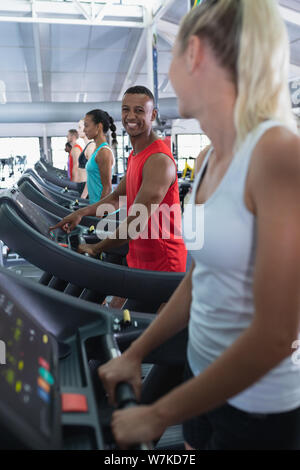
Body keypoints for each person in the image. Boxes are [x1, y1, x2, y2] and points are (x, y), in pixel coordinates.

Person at [97, 0, 300, 450]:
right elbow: (197, 278)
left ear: (196, 54)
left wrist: (158, 413)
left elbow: (277, 335)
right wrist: (136, 352)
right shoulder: (209, 158)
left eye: (172, 60)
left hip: (255, 406)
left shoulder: (278, 155)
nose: (169, 75)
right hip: (200, 375)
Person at [50, 86, 187, 273]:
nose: (130, 116)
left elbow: (136, 222)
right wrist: (82, 213)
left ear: (153, 115)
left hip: (163, 264)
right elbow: (116, 198)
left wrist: (95, 248)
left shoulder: (158, 160)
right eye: (126, 110)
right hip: (138, 257)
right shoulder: (135, 155)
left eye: (139, 110)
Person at [83, 109, 116, 204]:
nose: (84, 130)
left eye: (86, 125)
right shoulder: (96, 150)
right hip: (95, 206)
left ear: (98, 126)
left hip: (104, 212)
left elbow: (107, 188)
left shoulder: (104, 152)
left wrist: (99, 214)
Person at [77, 119, 96, 199]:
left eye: (79, 127)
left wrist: (83, 196)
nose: (78, 130)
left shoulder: (91, 148)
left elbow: (92, 175)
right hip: (83, 188)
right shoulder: (87, 146)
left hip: (88, 192)